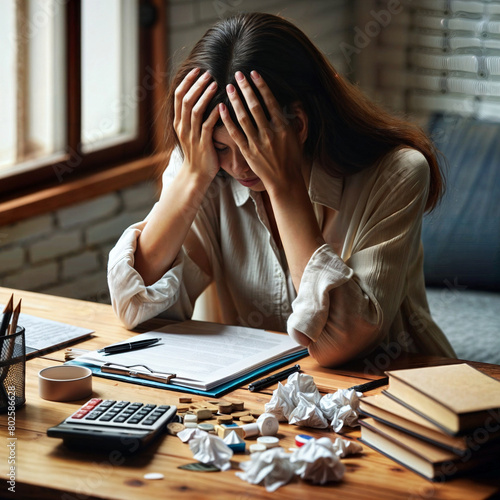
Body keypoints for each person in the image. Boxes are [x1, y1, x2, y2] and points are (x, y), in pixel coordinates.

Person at [107, 12, 456, 367]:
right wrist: (193, 176)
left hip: (395, 387)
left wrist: (284, 187)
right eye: (222, 147)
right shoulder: (205, 166)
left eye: (249, 146)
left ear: (299, 125)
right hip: (257, 393)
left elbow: (341, 341)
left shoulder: (397, 173)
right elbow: (136, 309)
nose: (237, 168)